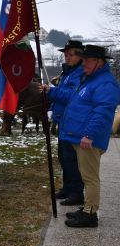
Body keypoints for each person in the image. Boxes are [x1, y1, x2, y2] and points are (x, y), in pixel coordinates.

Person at [57, 45, 120, 228]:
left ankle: (90, 214)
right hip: (80, 137)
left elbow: (102, 112)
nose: (83, 64)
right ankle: (87, 208)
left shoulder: (105, 83)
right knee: (85, 176)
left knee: (90, 178)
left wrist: (89, 134)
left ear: (99, 62)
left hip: (88, 139)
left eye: (87, 60)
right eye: (83, 60)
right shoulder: (91, 79)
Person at [42, 40, 85, 206]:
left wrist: (52, 91)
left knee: (72, 159)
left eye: (70, 54)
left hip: (74, 122)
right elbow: (61, 94)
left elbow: (71, 96)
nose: (67, 57)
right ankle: (68, 187)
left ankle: (77, 193)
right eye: (65, 54)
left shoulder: (81, 73)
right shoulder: (68, 72)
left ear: (80, 55)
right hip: (63, 120)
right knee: (63, 157)